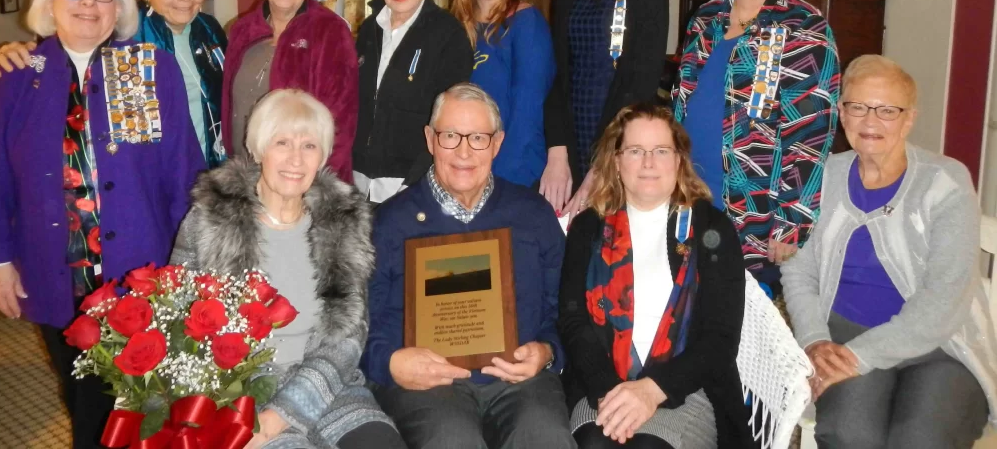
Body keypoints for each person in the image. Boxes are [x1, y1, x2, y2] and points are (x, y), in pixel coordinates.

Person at [0, 0, 206, 448]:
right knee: (82, 388)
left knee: (128, 397)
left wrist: (191, 262)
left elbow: (183, 170)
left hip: (140, 268)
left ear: (119, 6)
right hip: (53, 266)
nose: (88, 3)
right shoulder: (16, 76)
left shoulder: (149, 68)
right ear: (49, 2)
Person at [782, 55, 996, 449]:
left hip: (940, 346)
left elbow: (944, 298)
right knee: (849, 435)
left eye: (886, 110)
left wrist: (860, 358)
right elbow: (799, 270)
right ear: (842, 114)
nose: (869, 121)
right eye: (858, 107)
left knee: (920, 440)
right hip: (844, 337)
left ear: (909, 119)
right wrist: (816, 340)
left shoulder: (946, 182)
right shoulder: (822, 176)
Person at [171, 89, 405, 449]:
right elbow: (177, 318)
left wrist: (284, 413)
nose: (296, 159)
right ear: (258, 148)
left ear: (323, 155)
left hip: (326, 386)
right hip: (243, 391)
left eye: (309, 146)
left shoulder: (343, 219)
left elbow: (348, 333)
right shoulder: (210, 218)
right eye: (282, 142)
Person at [362, 83, 575, 449]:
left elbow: (564, 309)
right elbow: (359, 322)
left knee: (546, 438)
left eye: (478, 137)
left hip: (520, 382)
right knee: (451, 441)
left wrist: (548, 351)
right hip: (428, 384)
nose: (463, 151)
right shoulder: (389, 222)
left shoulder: (532, 215)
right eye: (450, 136)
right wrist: (390, 363)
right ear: (430, 139)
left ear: (497, 143)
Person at [559, 104, 752, 449]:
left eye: (661, 151)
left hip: (688, 390)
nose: (648, 163)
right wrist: (609, 391)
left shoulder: (712, 229)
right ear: (616, 162)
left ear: (678, 160)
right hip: (602, 388)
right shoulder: (588, 227)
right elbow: (574, 321)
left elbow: (719, 338)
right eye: (635, 151)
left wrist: (650, 391)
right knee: (596, 444)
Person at [672, 0, 839, 286]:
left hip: (754, 207)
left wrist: (792, 218)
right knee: (689, 302)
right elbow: (683, 104)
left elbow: (811, 133)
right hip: (691, 190)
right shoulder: (706, 18)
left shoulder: (803, 27)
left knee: (740, 315)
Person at [0, 0, 229, 168]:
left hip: (213, 164)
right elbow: (68, 57)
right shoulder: (121, 38)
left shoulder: (210, 30)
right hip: (152, 168)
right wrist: (15, 52)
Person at [541, 0, 669, 220]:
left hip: (622, 140)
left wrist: (602, 166)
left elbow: (639, 77)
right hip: (572, 135)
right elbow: (558, 73)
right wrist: (557, 153)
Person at [223, 0, 358, 180]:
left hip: (300, 177)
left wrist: (319, 184)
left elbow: (341, 120)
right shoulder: (241, 30)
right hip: (244, 175)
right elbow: (230, 106)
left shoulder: (330, 31)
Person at [353, 0, 473, 204]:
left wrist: (416, 184)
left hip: (412, 185)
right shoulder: (369, 30)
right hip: (359, 182)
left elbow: (448, 121)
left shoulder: (448, 34)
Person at [451, 0, 555, 188]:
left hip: (510, 173)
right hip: (463, 169)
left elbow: (527, 115)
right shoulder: (457, 26)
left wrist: (498, 180)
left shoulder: (525, 23)